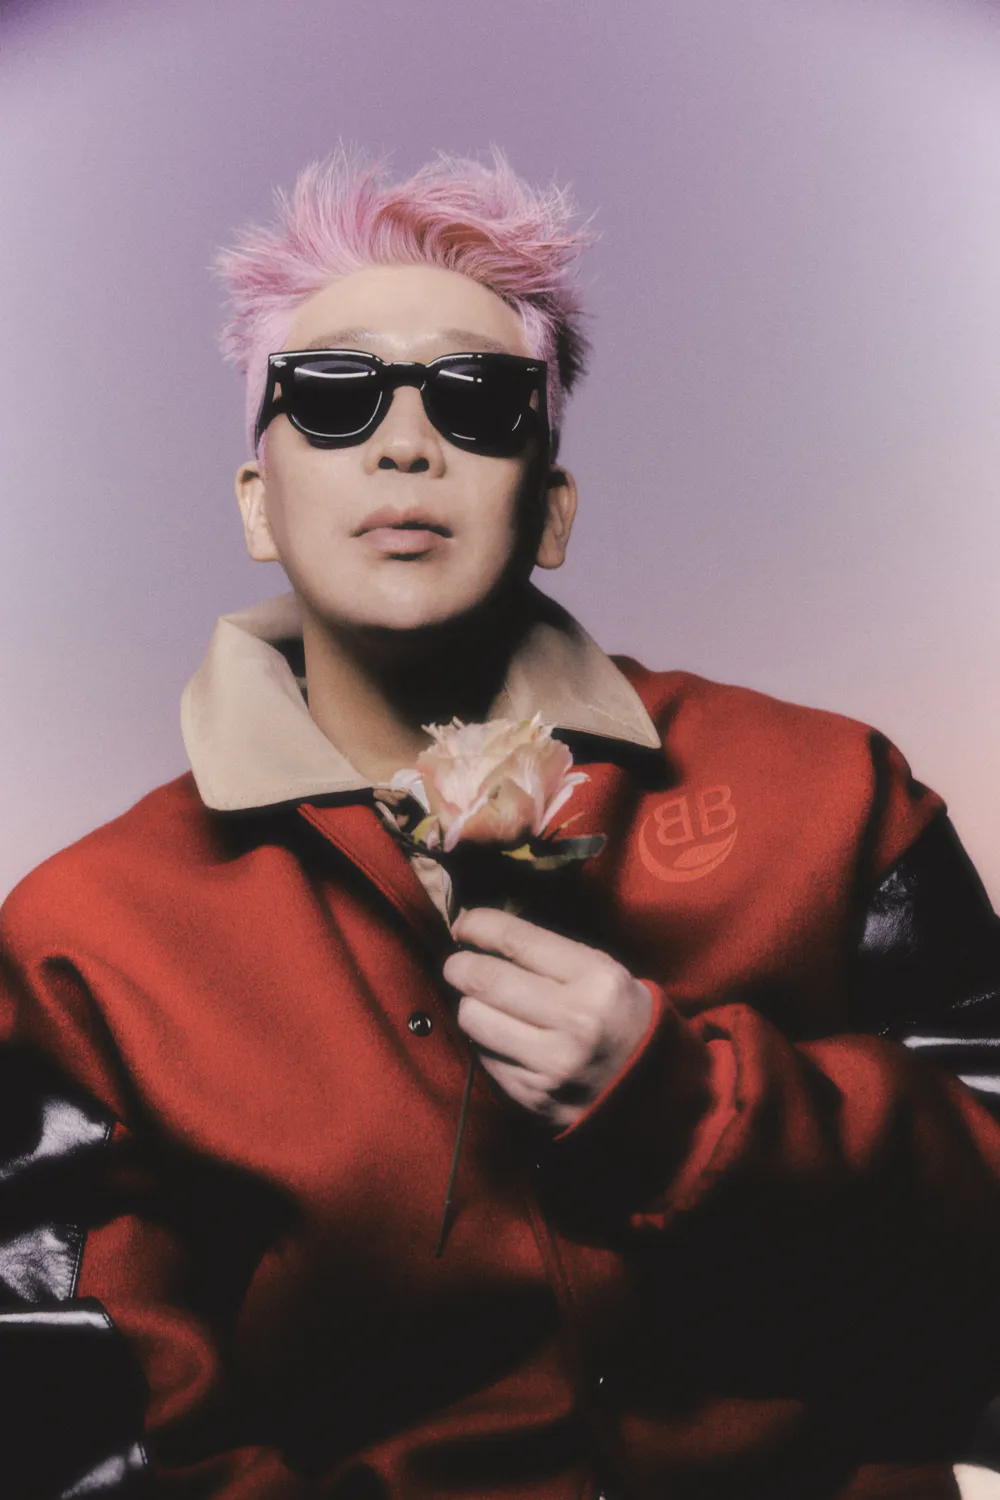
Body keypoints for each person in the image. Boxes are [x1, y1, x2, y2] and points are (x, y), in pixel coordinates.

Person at [2, 148, 1000, 1500]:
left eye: (477, 402)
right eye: (335, 397)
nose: (406, 444)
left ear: (554, 507)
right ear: (257, 505)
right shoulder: (87, 939)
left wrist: (693, 1108)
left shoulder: (831, 796)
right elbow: (78, 1423)